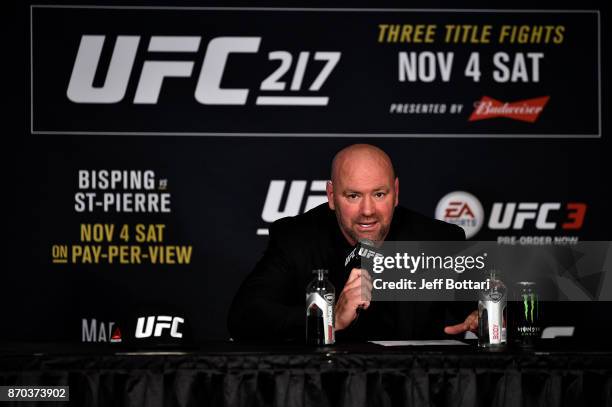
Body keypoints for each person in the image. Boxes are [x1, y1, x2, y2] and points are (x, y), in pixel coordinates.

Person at [228, 144, 478, 341]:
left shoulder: (437, 240)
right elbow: (244, 316)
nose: (367, 210)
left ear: (396, 193)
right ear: (331, 196)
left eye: (379, 194)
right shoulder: (297, 238)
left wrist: (488, 318)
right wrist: (330, 318)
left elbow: (489, 308)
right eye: (353, 195)